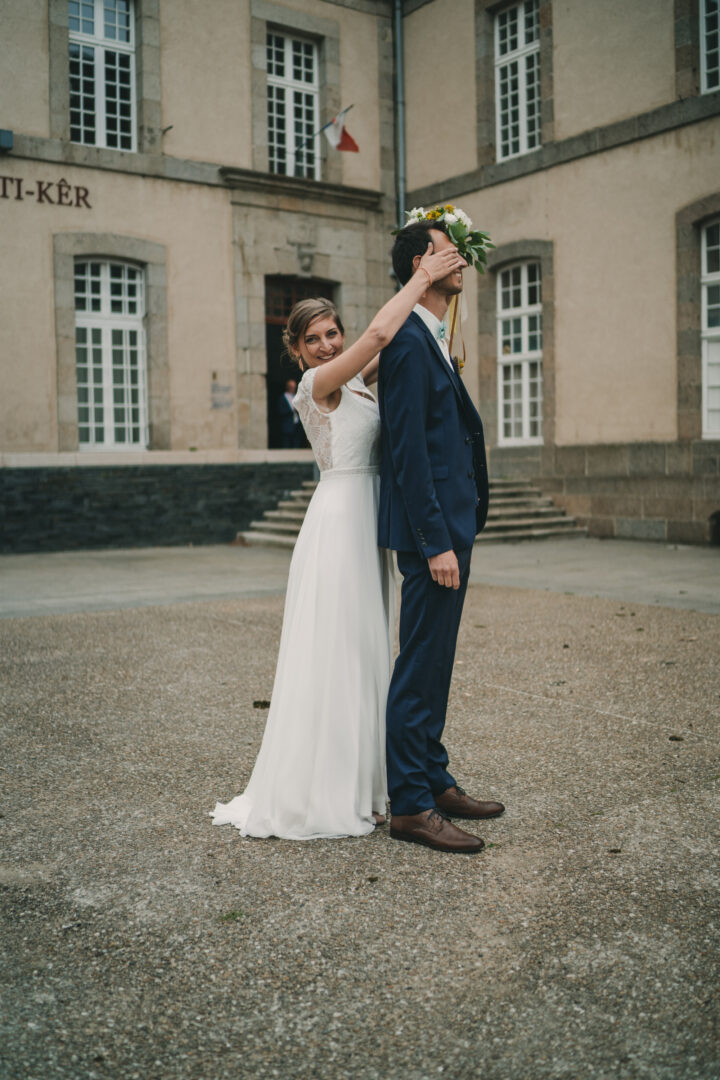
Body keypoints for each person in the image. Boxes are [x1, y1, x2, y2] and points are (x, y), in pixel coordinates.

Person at [212, 242, 464, 839]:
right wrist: (423, 272)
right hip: (335, 525)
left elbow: (400, 344)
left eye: (332, 333)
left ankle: (376, 779)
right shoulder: (317, 385)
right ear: (295, 351)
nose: (327, 344)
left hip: (367, 525)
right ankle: (324, 786)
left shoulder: (355, 385)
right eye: (314, 339)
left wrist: (443, 309)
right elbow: (379, 336)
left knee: (366, 649)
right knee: (335, 653)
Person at [378, 216, 505, 854]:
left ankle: (434, 777)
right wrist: (435, 541)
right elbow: (408, 453)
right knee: (418, 666)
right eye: (446, 252)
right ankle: (411, 805)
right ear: (418, 269)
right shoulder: (404, 344)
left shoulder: (432, 335)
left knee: (438, 665)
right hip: (435, 537)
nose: (458, 260)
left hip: (454, 526)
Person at [276, 378, 303, 448]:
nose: (293, 389)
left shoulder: (296, 397)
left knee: (296, 444)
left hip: (297, 424)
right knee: (287, 445)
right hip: (287, 425)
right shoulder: (283, 398)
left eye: (294, 387)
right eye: (291, 387)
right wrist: (292, 410)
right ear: (288, 387)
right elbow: (280, 411)